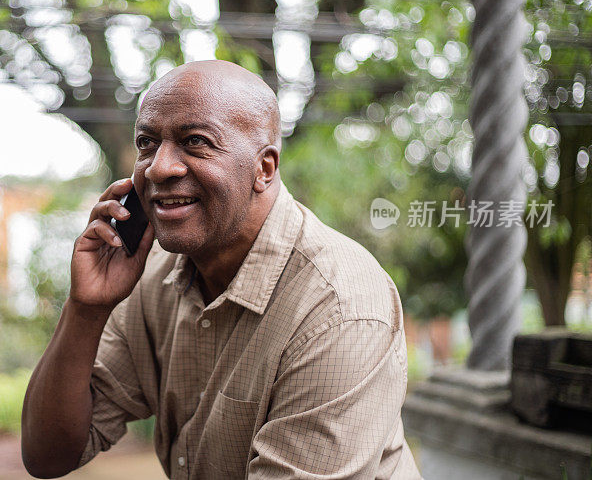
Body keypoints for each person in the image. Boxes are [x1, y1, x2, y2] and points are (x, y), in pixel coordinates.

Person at [21, 60, 421, 479]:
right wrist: (86, 308)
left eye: (195, 141)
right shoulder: (153, 274)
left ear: (263, 168)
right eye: (147, 143)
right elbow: (48, 455)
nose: (160, 167)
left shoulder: (340, 308)